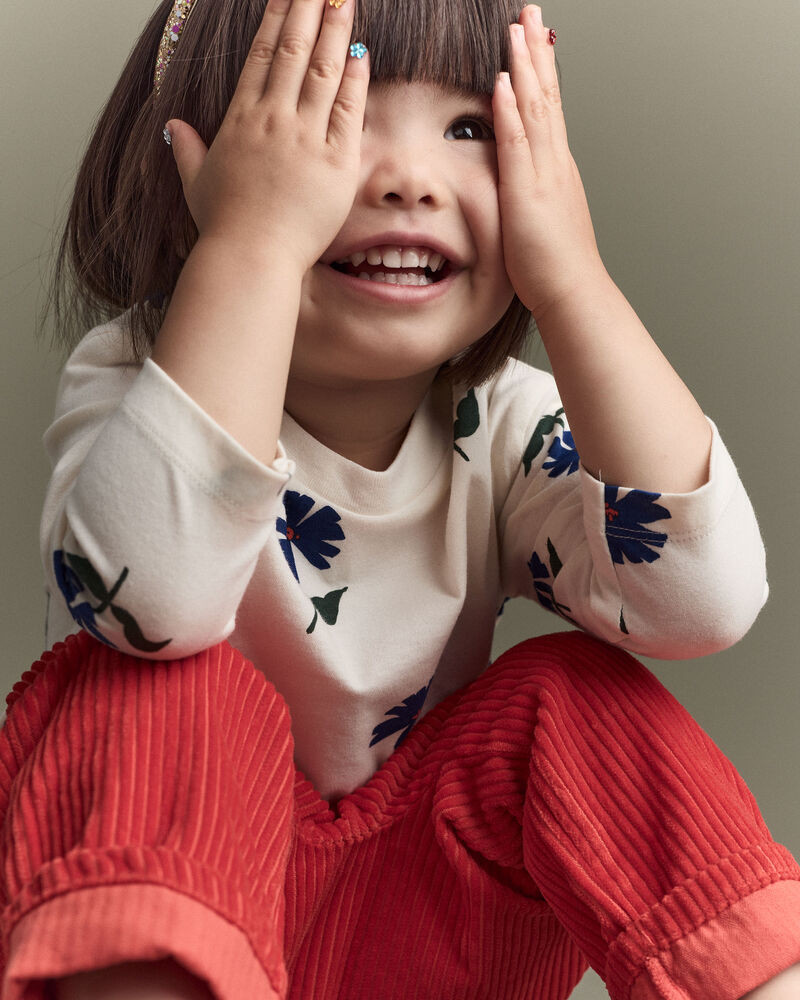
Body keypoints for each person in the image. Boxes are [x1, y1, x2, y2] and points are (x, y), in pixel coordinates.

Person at [1, 0, 798, 997]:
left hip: (415, 932)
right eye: (327, 106)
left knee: (572, 695)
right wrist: (248, 249)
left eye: (468, 128)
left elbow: (699, 601)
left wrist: (575, 281)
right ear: (186, 160)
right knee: (155, 684)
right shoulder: (137, 381)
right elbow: (148, 603)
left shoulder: (499, 428)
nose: (406, 178)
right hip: (174, 913)